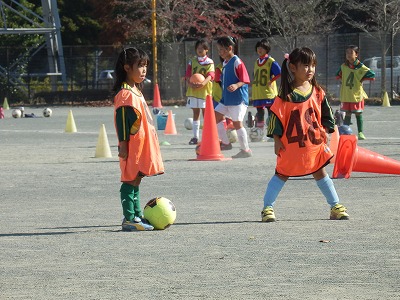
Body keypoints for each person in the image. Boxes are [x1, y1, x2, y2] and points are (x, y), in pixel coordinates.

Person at [261, 47, 349, 222]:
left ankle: (335, 206)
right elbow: (275, 118)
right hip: (291, 146)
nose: (311, 70)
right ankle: (267, 208)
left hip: (313, 144)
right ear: (293, 67)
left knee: (320, 172)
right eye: (306, 65)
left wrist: (327, 131)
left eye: (313, 65)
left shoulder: (318, 92)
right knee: (281, 174)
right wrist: (276, 139)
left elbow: (326, 115)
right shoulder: (284, 96)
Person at [113, 47, 164, 231]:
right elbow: (123, 122)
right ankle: (128, 218)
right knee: (129, 179)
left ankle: (136, 214)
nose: (143, 70)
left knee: (137, 178)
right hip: (132, 145)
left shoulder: (136, 90)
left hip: (142, 144)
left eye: (145, 66)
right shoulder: (125, 93)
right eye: (140, 66)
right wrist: (123, 145)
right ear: (127, 68)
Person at [215, 36, 252, 158]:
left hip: (237, 99)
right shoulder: (225, 63)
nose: (220, 52)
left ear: (230, 48)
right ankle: (226, 143)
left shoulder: (237, 61)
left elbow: (245, 79)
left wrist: (236, 85)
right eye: (219, 50)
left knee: (237, 124)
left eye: (221, 50)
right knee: (216, 116)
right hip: (226, 99)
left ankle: (245, 150)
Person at [336, 45, 375, 140]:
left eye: (351, 53)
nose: (348, 55)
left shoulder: (361, 67)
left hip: (356, 95)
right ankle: (345, 132)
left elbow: (372, 75)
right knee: (347, 114)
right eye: (347, 53)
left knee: (358, 114)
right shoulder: (343, 66)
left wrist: (361, 80)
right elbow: (338, 75)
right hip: (346, 95)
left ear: (356, 54)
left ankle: (360, 132)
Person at [183, 39, 215, 145]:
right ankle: (195, 137)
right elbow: (188, 74)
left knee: (206, 114)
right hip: (193, 91)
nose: (200, 49)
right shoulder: (192, 61)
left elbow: (211, 75)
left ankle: (207, 137)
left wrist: (203, 83)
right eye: (198, 48)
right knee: (195, 113)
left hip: (204, 91)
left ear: (207, 50)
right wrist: (190, 83)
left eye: (202, 48)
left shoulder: (209, 62)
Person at [251, 38, 281, 131]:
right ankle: (260, 132)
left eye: (262, 48)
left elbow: (279, 72)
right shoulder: (256, 62)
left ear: (267, 49)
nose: (260, 50)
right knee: (260, 112)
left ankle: (272, 131)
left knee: (271, 112)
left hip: (268, 92)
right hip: (258, 92)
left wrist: (271, 81)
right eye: (258, 48)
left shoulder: (270, 61)